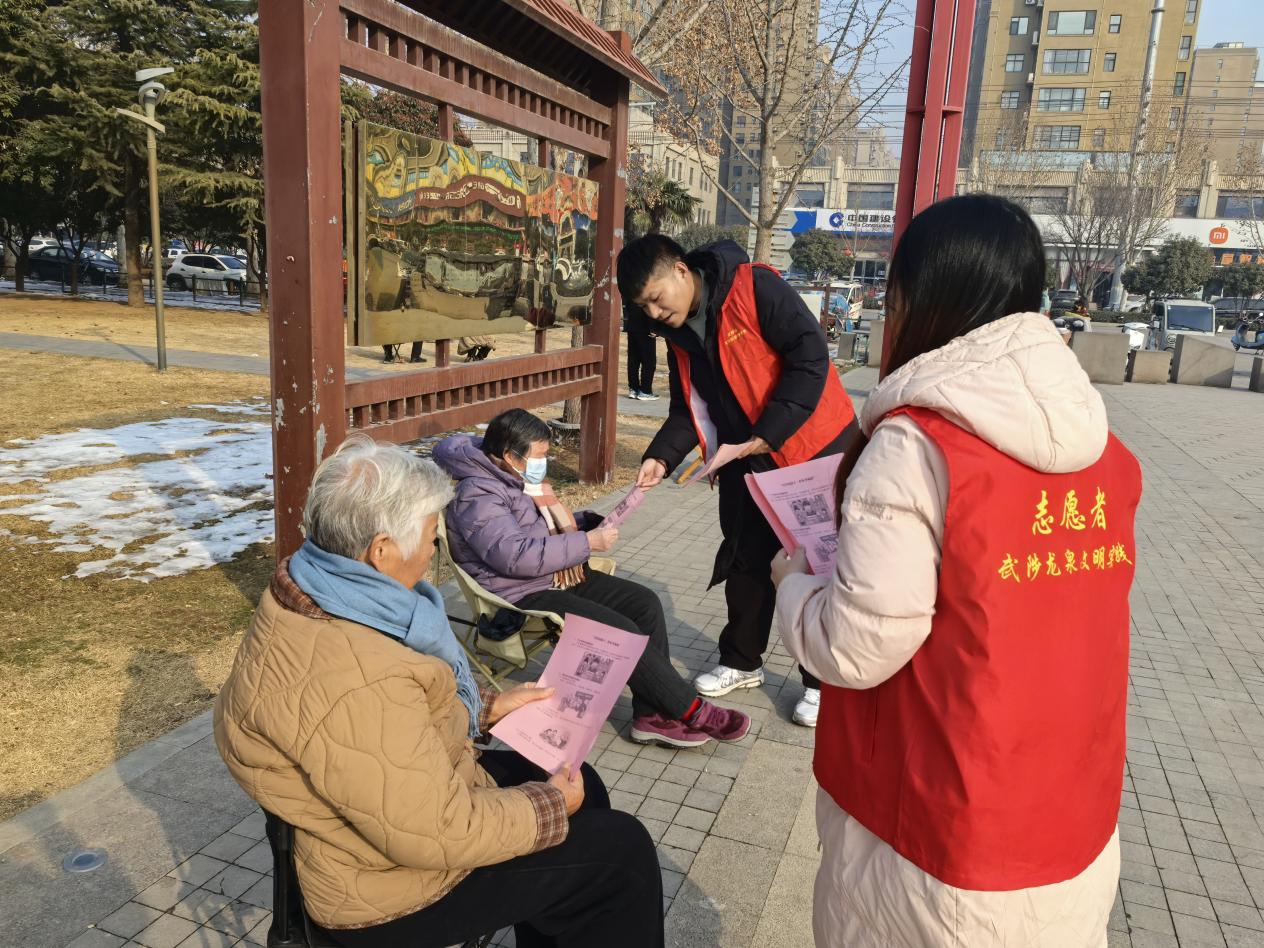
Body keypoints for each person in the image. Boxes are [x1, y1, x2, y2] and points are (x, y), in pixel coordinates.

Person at [771, 194, 1141, 947]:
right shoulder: (1105, 450)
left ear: (923, 297)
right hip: (1070, 808)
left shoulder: (916, 447)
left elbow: (856, 646)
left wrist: (793, 586)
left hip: (937, 826)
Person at [214, 435, 664, 948]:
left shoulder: (309, 589)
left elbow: (376, 734)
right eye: (431, 536)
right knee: (621, 857)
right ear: (382, 550)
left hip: (385, 817)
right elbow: (435, 830)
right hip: (389, 886)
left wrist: (487, 709)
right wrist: (548, 808)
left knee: (577, 782)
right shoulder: (361, 674)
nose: (434, 552)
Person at [616, 233, 857, 727]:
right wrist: (661, 456)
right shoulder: (678, 335)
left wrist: (767, 434)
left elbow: (810, 359)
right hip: (744, 458)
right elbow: (689, 406)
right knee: (745, 558)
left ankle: (821, 682)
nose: (655, 314)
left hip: (808, 448)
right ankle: (742, 662)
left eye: (657, 299)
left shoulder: (754, 289)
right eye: (645, 308)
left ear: (680, 270)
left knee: (819, 563)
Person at [434, 409, 750, 749]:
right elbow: (514, 556)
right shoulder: (478, 494)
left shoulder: (509, 476)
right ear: (511, 456)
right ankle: (694, 711)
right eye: (539, 456)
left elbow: (534, 530)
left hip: (550, 576)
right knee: (620, 631)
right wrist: (585, 543)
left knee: (643, 603)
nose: (544, 463)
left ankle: (651, 716)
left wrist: (587, 523)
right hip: (518, 595)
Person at [625, 302, 660, 400]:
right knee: (649, 361)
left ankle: (633, 388)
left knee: (633, 360)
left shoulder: (632, 294)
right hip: (646, 328)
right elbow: (650, 308)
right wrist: (654, 327)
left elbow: (628, 306)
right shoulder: (647, 293)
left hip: (632, 326)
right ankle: (645, 390)